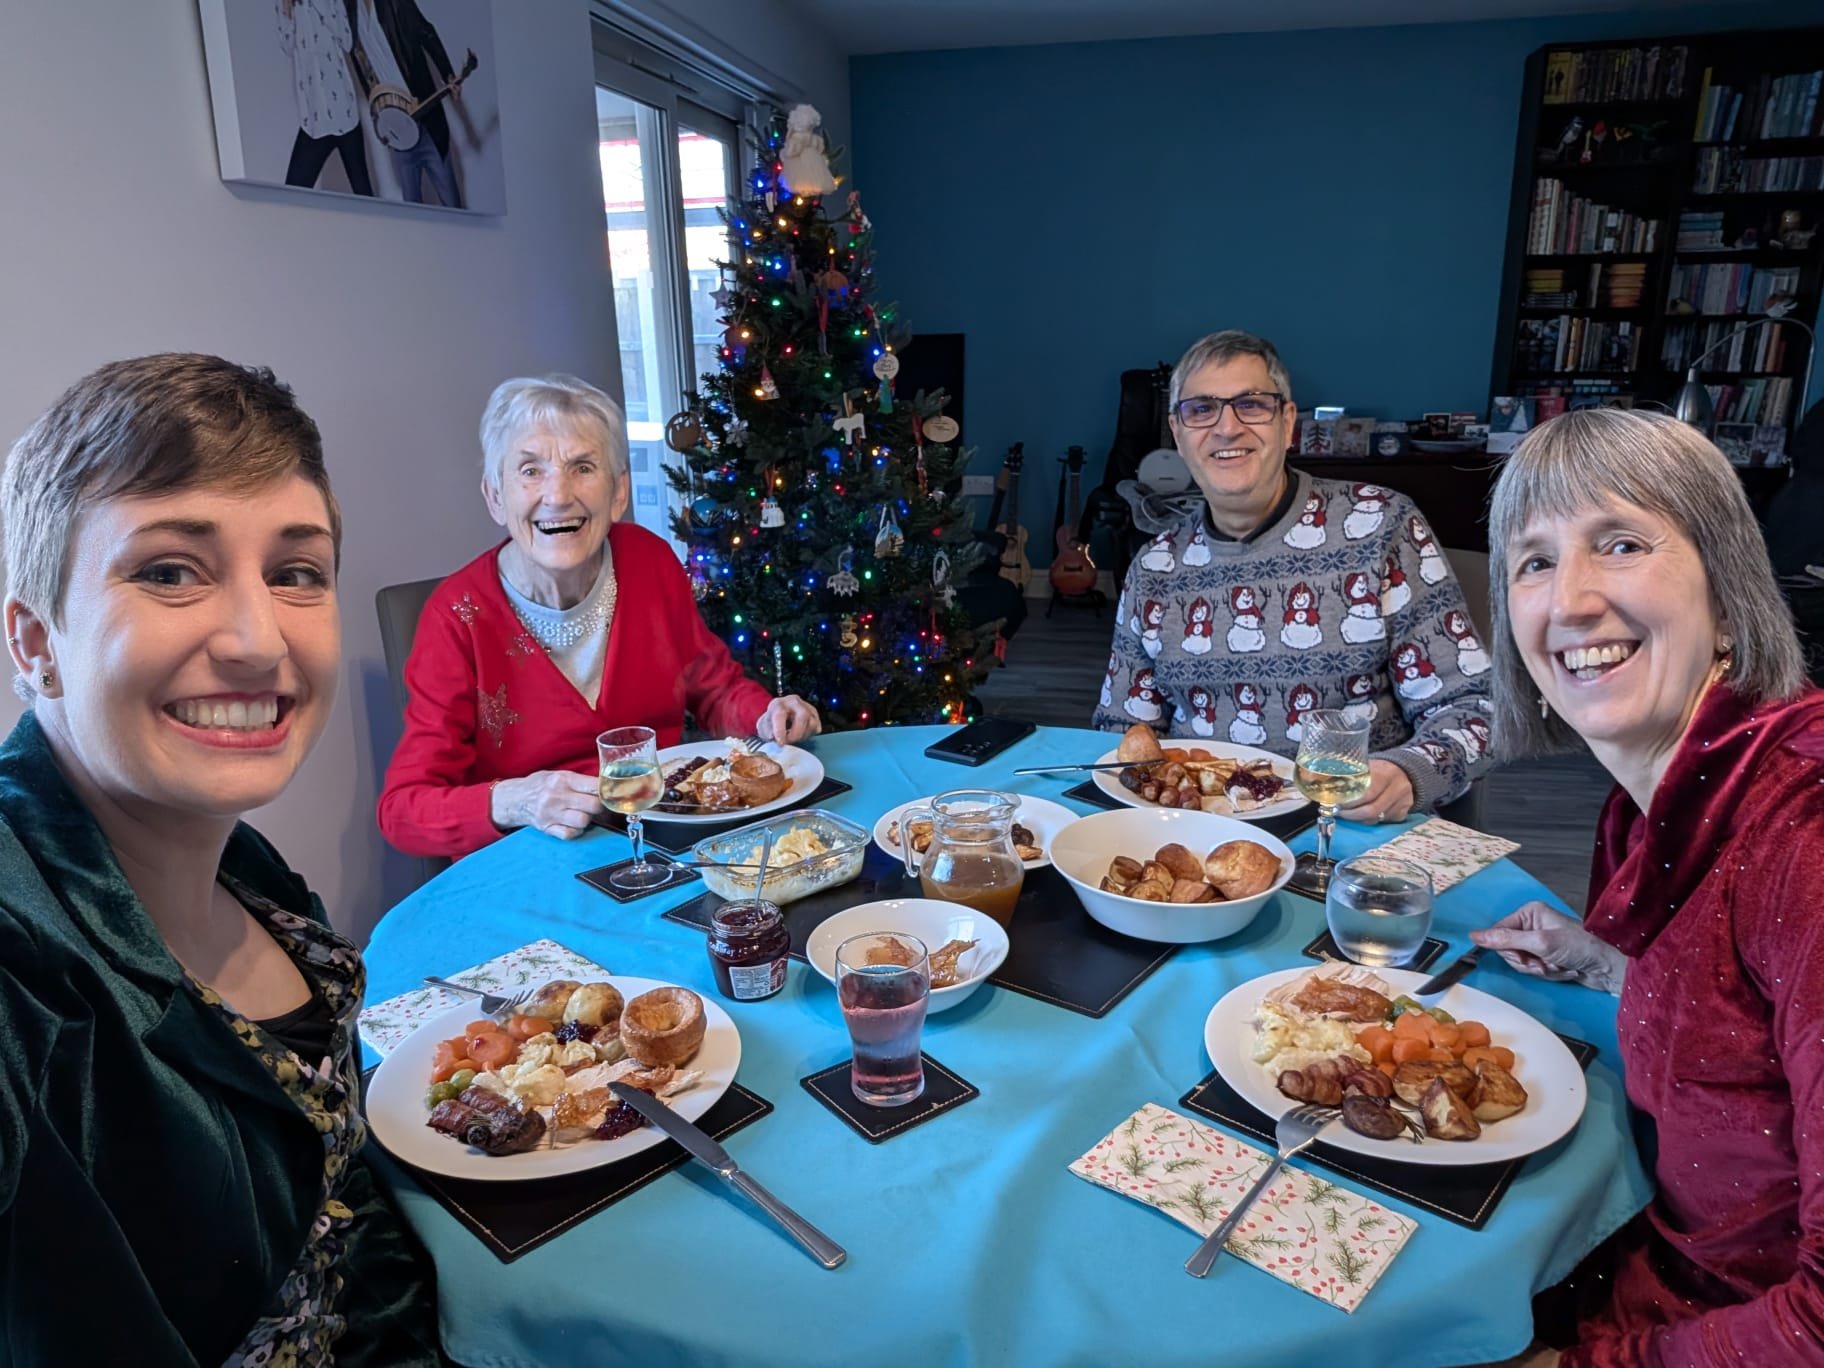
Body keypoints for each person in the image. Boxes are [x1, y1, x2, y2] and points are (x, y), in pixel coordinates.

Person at [0, 355, 440, 1363]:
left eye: (296, 572)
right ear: (36, 644)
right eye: (168, 570)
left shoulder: (248, 867)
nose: (255, 641)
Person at [1468, 409, 1824, 1366]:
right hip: (1650, 1250)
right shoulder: (1651, 803)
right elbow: (1751, 1035)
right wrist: (1606, 962)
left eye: (1620, 543)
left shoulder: (1808, 834)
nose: (1570, 602)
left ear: (1726, 585)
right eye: (1533, 562)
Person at [377, 374, 821, 858]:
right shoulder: (456, 617)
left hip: (667, 840)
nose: (559, 494)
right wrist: (515, 800)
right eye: (530, 470)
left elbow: (711, 685)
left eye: (582, 467)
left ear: (618, 493)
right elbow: (404, 810)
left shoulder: (649, 561)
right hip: (537, 859)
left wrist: (764, 715)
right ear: (495, 497)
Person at [1091, 330, 1494, 821]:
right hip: (1197, 832)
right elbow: (1122, 734)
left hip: (1347, 828)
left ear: (1286, 422)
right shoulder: (1154, 567)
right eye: (1201, 410)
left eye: (1251, 405)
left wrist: (1408, 775)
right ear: (1178, 432)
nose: (1226, 428)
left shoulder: (1381, 525)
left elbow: (1475, 707)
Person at [351, 0, 464, 207]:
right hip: (396, 131)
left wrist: (447, 73)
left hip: (427, 121)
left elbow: (425, 31)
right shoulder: (348, 11)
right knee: (411, 215)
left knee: (454, 208)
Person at [275, 0, 375, 196]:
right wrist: (287, 14)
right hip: (313, 121)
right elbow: (287, 46)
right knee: (291, 198)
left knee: (365, 196)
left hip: (345, 115)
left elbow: (347, 40)